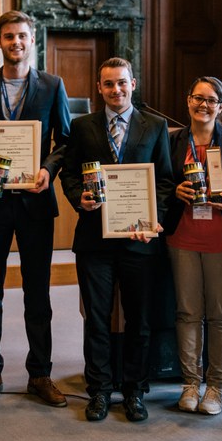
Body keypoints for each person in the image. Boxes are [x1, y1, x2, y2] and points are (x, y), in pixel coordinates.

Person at [0, 10, 70, 407]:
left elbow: (65, 141)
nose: (16, 43)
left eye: (22, 36)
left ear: (32, 40)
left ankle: (40, 373)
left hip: (36, 204)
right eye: (9, 37)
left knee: (37, 293)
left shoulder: (52, 85)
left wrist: (47, 169)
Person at [60, 57, 173, 422]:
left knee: (139, 319)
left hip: (140, 239)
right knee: (97, 318)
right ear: (99, 88)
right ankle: (100, 391)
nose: (116, 90)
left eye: (122, 83)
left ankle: (135, 391)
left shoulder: (155, 126)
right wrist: (79, 198)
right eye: (108, 84)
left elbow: (165, 182)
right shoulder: (82, 127)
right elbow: (70, 175)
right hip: (95, 240)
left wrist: (157, 221)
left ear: (133, 83)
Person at [165, 77, 222, 415]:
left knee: (221, 315)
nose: (203, 105)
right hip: (182, 237)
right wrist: (174, 190)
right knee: (187, 312)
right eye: (197, 98)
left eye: (211, 99)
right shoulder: (173, 139)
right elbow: (161, 178)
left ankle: (216, 387)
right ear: (188, 101)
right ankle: (190, 383)